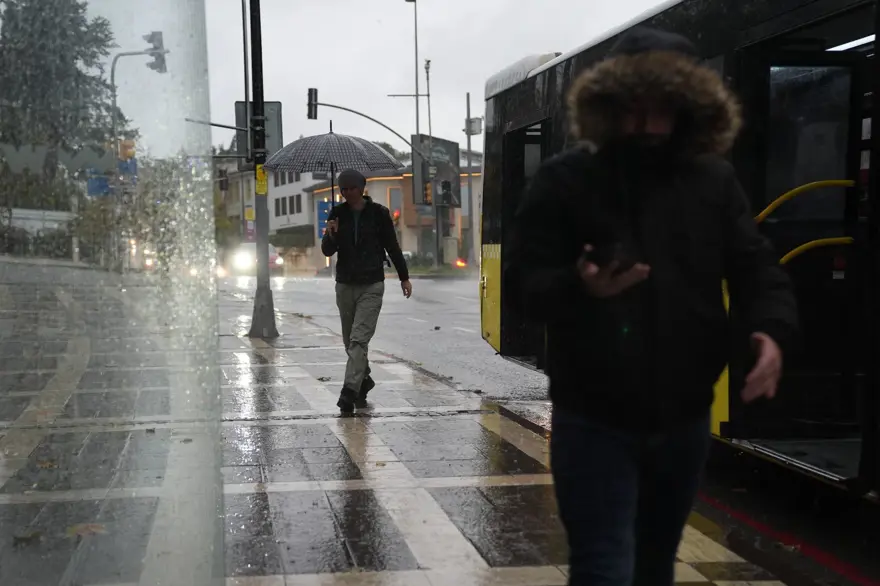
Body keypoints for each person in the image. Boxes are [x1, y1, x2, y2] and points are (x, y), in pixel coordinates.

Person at [505, 27, 799, 586]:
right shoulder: (565, 180)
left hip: (683, 416)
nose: (646, 124)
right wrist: (581, 287)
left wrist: (772, 330)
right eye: (632, 107)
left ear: (689, 108)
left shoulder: (713, 181)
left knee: (654, 566)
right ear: (609, 107)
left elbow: (756, 265)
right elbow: (522, 284)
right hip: (593, 414)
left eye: (662, 107)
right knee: (603, 566)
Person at [322, 168, 412, 413]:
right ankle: (364, 378)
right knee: (349, 342)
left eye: (352, 188)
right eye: (343, 189)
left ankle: (348, 392)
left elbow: (392, 246)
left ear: (361, 188)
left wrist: (404, 278)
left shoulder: (379, 213)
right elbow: (327, 251)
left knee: (358, 340)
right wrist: (330, 234)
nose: (347, 192)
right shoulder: (337, 213)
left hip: (371, 284)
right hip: (345, 284)